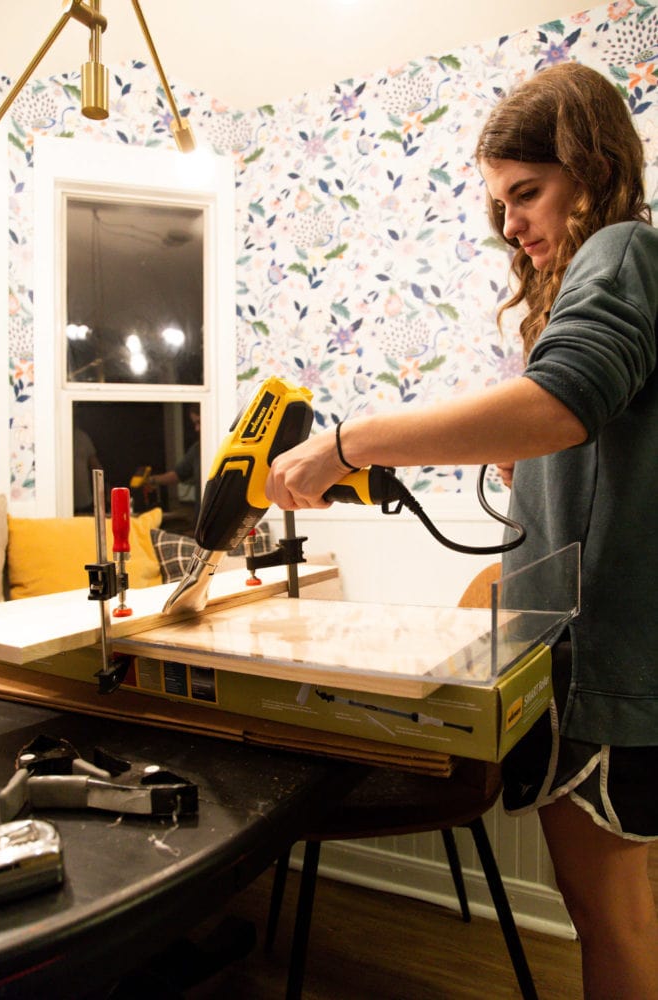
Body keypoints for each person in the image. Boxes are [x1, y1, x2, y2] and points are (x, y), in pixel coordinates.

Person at [265, 61, 658, 999]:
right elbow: (581, 427)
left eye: (527, 192)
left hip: (596, 661)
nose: (512, 224)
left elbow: (559, 402)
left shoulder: (621, 250)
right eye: (500, 203)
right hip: (602, 656)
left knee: (609, 918)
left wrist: (346, 446)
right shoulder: (612, 274)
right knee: (627, 912)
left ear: (592, 168)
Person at [73, 426, 103, 515]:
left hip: (84, 497)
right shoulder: (57, 437)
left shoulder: (82, 437)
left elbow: (96, 466)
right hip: (66, 500)